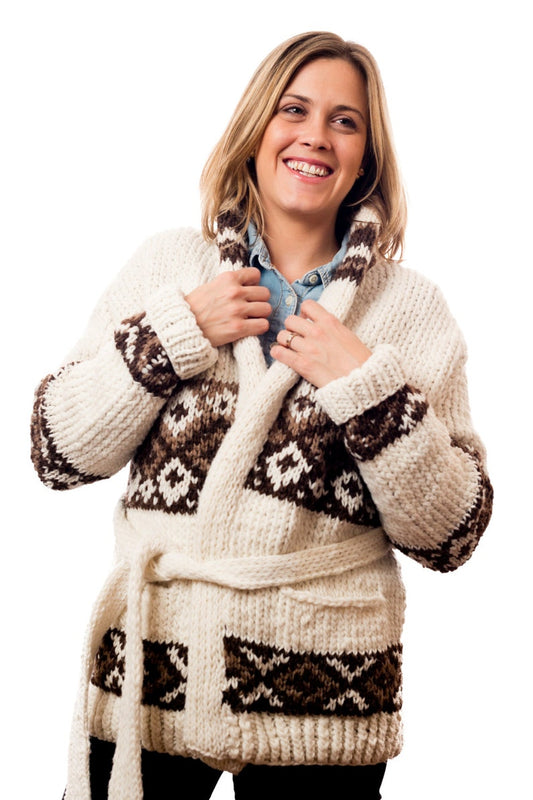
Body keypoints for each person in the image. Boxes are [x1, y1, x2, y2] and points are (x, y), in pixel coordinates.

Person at [31, 31, 493, 800]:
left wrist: (365, 387)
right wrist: (172, 335)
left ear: (365, 157)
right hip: (151, 676)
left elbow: (453, 534)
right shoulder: (167, 267)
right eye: (294, 110)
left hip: (322, 692)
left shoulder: (410, 311)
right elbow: (57, 451)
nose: (315, 136)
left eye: (344, 121)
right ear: (256, 129)